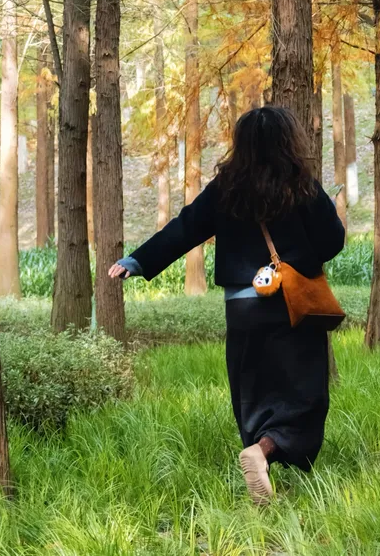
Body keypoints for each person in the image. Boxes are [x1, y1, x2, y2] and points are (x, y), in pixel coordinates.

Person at [109, 105, 345, 504]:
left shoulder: (226, 187)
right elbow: (332, 241)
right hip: (291, 306)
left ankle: (260, 452)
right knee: (305, 393)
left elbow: (184, 228)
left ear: (242, 143)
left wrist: (138, 261)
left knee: (253, 387)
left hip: (242, 308)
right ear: (289, 141)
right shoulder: (301, 185)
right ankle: (264, 452)